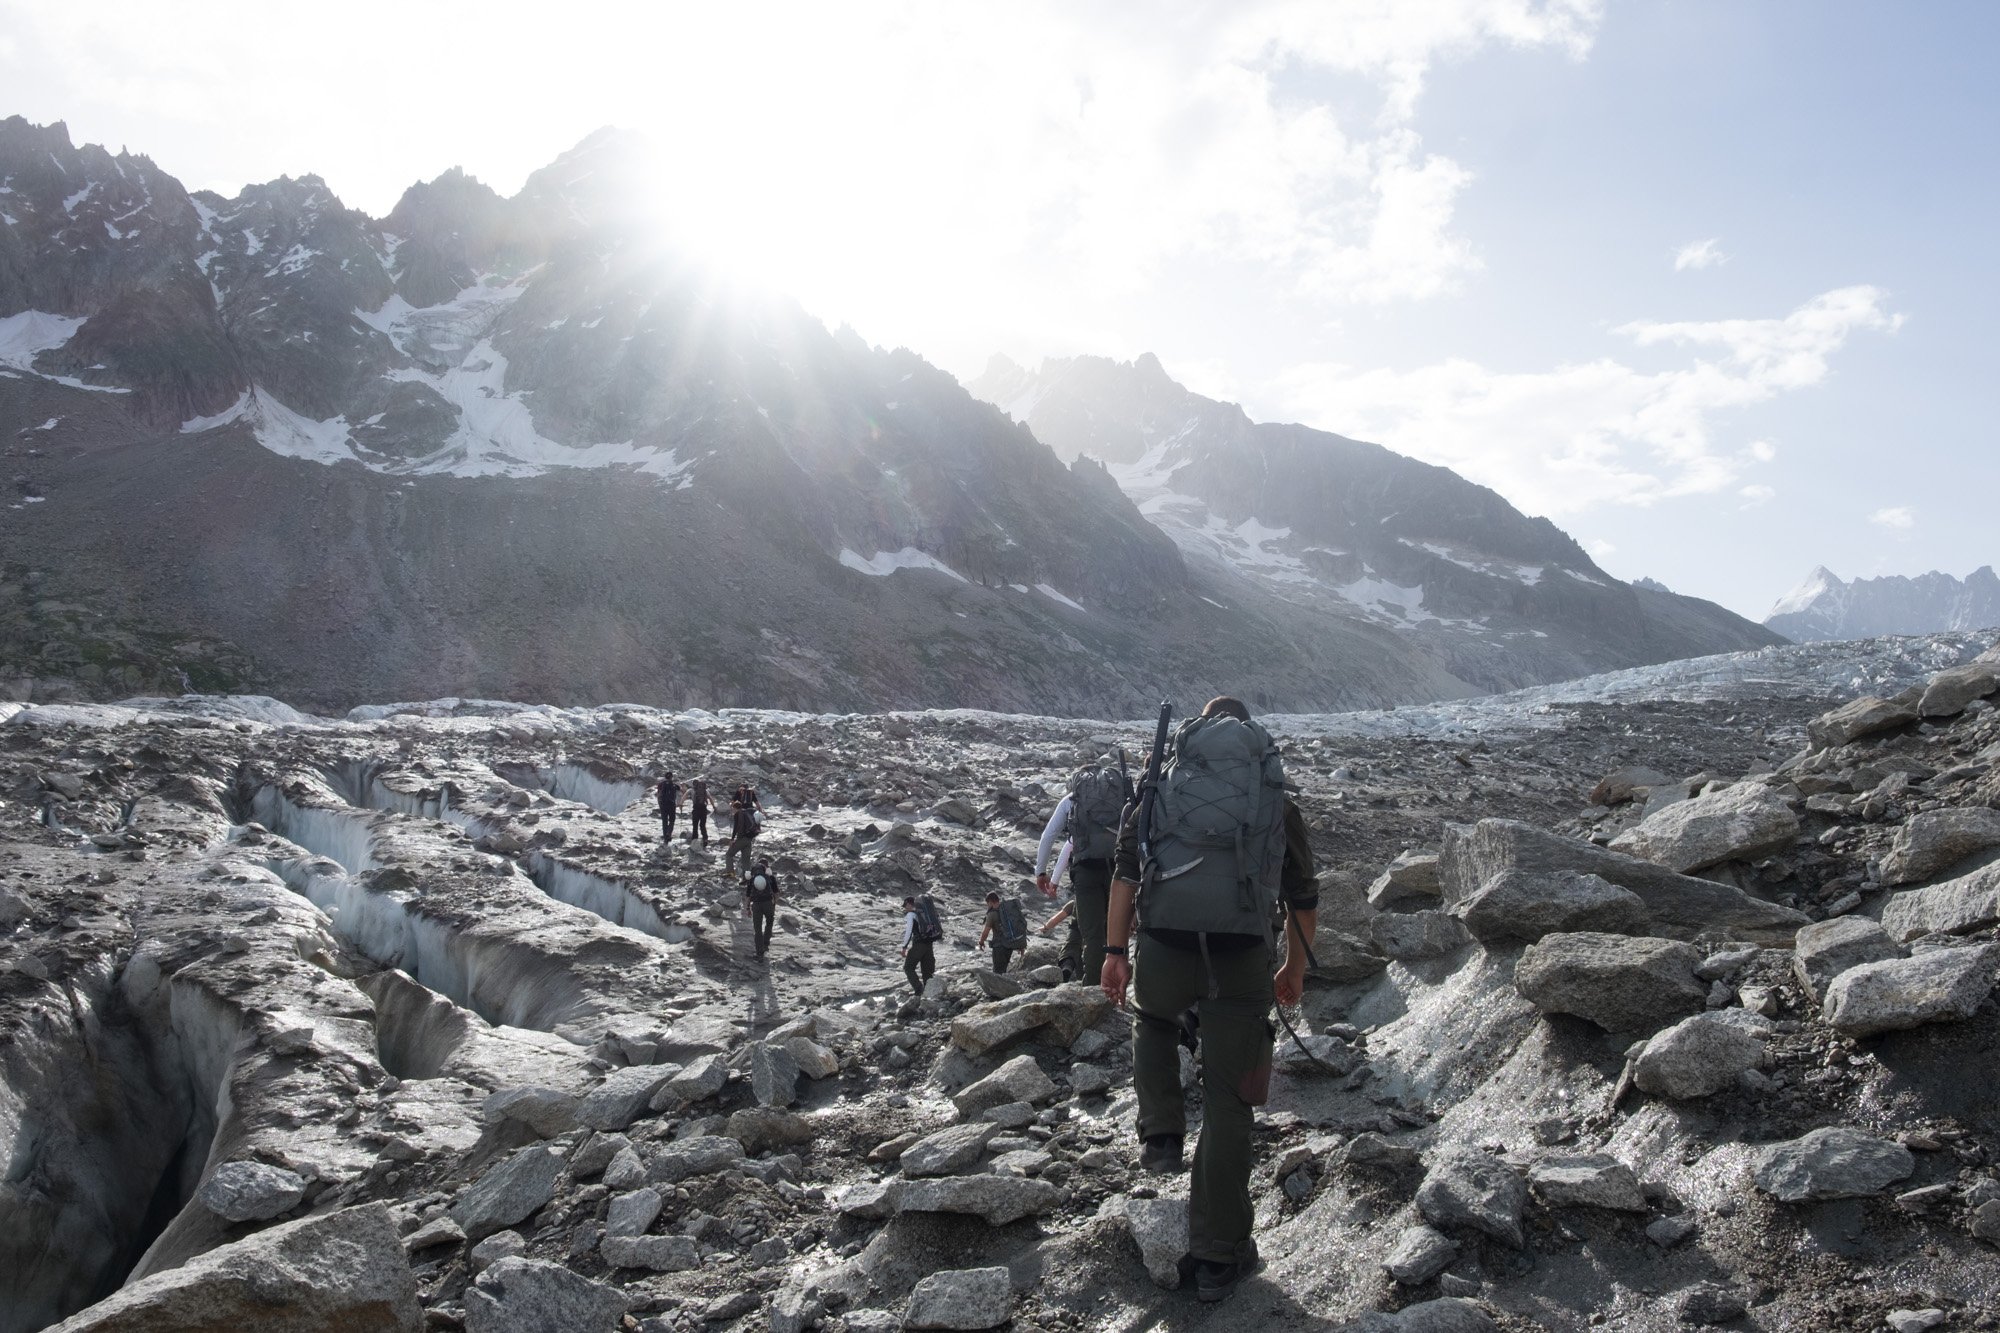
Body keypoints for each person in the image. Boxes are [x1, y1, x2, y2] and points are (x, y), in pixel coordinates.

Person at [1099, 696, 1318, 1304]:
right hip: (1240, 957)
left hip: (1165, 948)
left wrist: (1115, 952)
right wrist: (1293, 968)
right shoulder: (1273, 799)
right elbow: (1303, 897)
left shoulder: (1161, 787)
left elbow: (1125, 875)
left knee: (1152, 1018)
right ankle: (1219, 1258)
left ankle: (1160, 1133)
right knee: (1229, 1104)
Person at [1036, 755, 1129, 991]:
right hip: (1118, 868)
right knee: (1116, 933)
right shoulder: (1118, 799)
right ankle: (1119, 991)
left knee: (1092, 935)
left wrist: (1042, 873)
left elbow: (1049, 836)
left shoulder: (1072, 799)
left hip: (1085, 870)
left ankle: (1093, 991)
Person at [976, 891, 1025, 973]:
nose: (988, 906)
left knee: (998, 972)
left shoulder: (992, 914)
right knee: (1004, 968)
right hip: (1010, 945)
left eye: (988, 904)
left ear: (990, 902)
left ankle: (999, 985)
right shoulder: (1008, 910)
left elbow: (986, 932)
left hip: (999, 946)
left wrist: (981, 942)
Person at [900, 894, 939, 996]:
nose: (905, 908)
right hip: (929, 943)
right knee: (926, 970)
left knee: (908, 967)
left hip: (919, 944)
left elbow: (908, 932)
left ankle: (919, 989)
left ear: (909, 904)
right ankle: (929, 992)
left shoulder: (911, 915)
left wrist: (904, 947)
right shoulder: (923, 913)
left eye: (905, 905)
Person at [1039, 893, 1081, 981]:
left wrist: (1046, 928)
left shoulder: (1074, 903)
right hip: (1096, 935)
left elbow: (1056, 918)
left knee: (1069, 951)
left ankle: (1067, 966)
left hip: (1075, 932)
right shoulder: (1102, 903)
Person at [742, 858, 779, 959]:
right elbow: (776, 893)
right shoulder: (770, 877)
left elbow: (748, 896)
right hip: (768, 904)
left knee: (757, 930)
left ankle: (759, 953)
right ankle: (766, 944)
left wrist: (748, 908)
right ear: (766, 867)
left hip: (756, 905)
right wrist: (774, 905)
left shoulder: (752, 878)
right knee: (769, 922)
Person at [724, 793, 759, 876]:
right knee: (746, 860)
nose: (732, 810)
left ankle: (730, 873)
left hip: (742, 839)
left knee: (729, 854)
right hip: (749, 839)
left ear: (735, 808)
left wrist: (732, 840)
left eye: (733, 808)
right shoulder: (746, 813)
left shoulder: (738, 814)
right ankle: (746, 878)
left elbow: (736, 828)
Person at [656, 772, 681, 843]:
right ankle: (669, 833)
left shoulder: (661, 784)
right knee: (672, 820)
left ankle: (665, 838)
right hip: (672, 804)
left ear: (665, 777)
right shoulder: (674, 785)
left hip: (663, 804)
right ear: (672, 777)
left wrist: (659, 804)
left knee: (664, 821)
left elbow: (658, 794)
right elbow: (680, 790)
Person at [688, 778, 711, 847]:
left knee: (695, 825)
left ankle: (694, 840)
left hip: (696, 810)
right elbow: (710, 798)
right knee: (702, 825)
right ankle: (705, 839)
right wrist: (714, 806)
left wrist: (680, 804)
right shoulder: (705, 790)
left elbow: (684, 796)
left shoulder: (691, 790)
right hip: (704, 810)